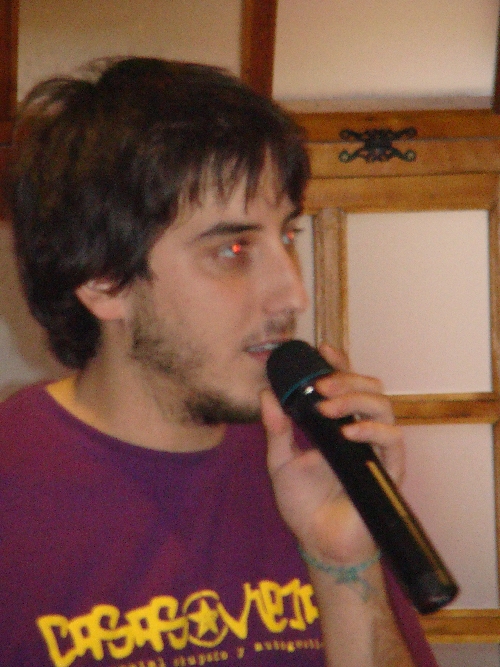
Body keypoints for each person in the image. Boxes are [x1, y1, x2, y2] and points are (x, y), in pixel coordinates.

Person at [0, 56, 437, 667]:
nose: (293, 294)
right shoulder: (16, 487)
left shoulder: (312, 457)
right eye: (233, 249)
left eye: (287, 236)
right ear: (103, 281)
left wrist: (345, 566)